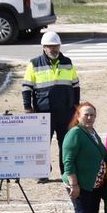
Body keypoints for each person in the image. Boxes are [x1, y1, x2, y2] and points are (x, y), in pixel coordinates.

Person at [24, 30, 80, 174]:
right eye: (50, 46)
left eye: (56, 46)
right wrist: (27, 107)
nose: (53, 49)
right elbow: (27, 87)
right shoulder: (34, 64)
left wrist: (76, 106)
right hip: (43, 111)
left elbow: (75, 85)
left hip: (65, 111)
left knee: (65, 143)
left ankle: (66, 172)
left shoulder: (68, 63)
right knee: (42, 144)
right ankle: (42, 173)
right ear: (44, 47)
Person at [61, 102, 107, 213]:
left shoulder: (91, 131)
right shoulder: (75, 133)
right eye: (86, 115)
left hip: (93, 184)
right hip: (80, 184)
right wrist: (74, 184)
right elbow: (68, 161)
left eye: (92, 115)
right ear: (78, 116)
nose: (89, 118)